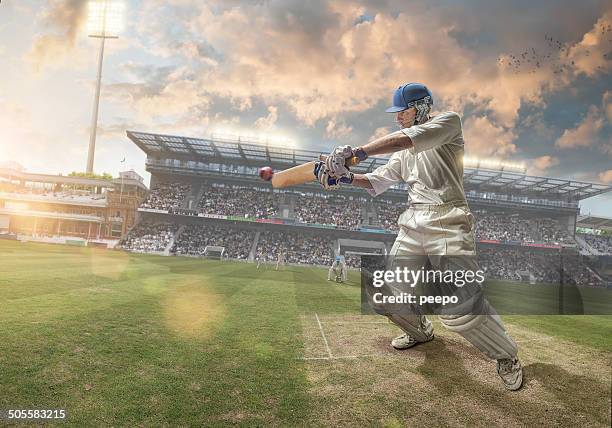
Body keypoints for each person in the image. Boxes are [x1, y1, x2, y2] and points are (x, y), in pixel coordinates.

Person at [314, 83, 523, 391]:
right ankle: (420, 331)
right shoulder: (403, 153)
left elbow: (406, 139)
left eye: (403, 111)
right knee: (384, 292)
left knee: (461, 306)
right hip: (414, 221)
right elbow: (376, 180)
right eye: (396, 113)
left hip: (449, 220)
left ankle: (506, 356)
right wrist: (344, 177)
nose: (398, 117)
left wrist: (355, 153)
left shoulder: (448, 123)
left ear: (422, 107)